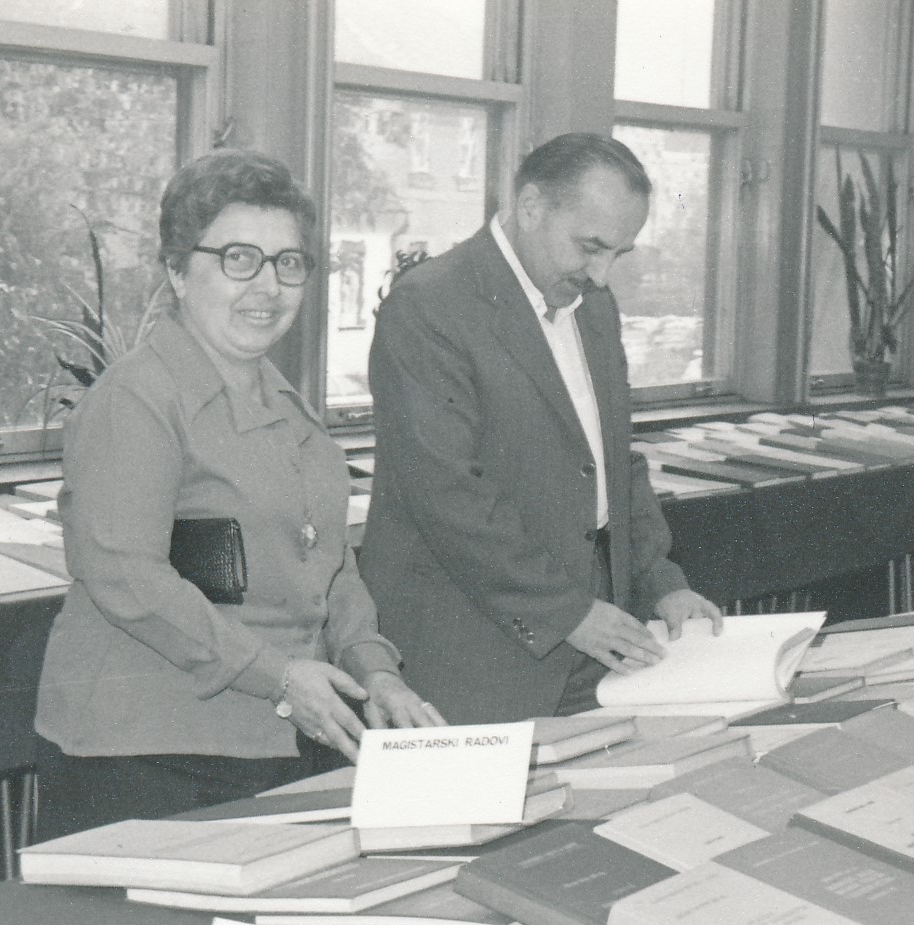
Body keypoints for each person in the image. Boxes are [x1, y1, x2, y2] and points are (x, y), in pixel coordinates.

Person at [35, 149, 443, 839]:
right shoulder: (136, 400)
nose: (269, 286)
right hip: (146, 756)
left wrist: (376, 670)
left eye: (289, 263)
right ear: (176, 270)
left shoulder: (286, 407)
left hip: (273, 742)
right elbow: (126, 576)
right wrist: (278, 676)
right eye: (239, 259)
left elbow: (329, 566)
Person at [360, 133, 721, 726]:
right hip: (473, 651)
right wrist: (566, 612)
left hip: (590, 641)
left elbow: (612, 462)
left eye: (618, 254)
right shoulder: (430, 305)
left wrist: (662, 582)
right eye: (591, 247)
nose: (601, 273)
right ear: (530, 207)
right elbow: (446, 492)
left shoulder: (593, 307)